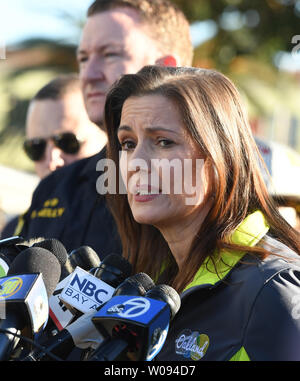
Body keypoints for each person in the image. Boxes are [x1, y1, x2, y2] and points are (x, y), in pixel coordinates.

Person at [104, 65, 300, 361]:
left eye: (163, 141)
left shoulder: (274, 290)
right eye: (128, 144)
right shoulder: (149, 282)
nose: (135, 162)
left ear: (220, 155)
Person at [10, 0, 193, 257]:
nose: (89, 74)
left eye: (110, 55)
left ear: (166, 67)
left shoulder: (196, 190)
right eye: (83, 58)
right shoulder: (55, 187)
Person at [1, 74, 106, 238]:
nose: (52, 161)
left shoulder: (135, 222)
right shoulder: (14, 233)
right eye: (36, 147)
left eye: (67, 143)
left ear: (106, 137)